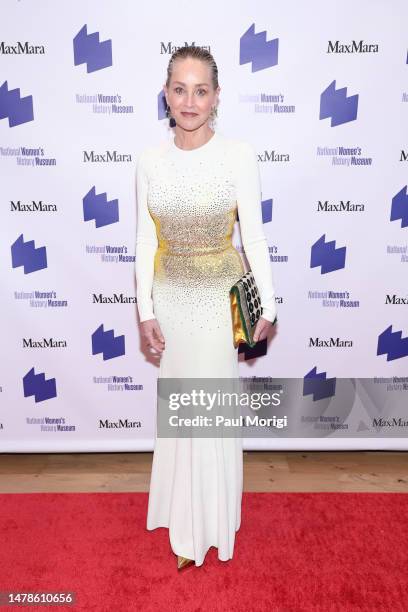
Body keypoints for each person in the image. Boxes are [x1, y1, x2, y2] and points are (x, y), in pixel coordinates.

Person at [135, 46, 277, 570]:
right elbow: (142, 242)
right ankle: (183, 519)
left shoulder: (238, 154)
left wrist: (271, 306)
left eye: (200, 90)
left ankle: (211, 522)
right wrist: (145, 310)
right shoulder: (149, 160)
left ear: (216, 97)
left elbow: (255, 240)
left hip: (222, 301)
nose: (189, 101)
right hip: (170, 299)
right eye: (179, 89)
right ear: (166, 95)